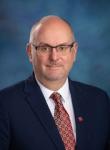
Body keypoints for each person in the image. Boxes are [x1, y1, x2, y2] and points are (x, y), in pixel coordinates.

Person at [0, 15, 110, 150]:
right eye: (44, 48)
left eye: (62, 48)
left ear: (74, 52)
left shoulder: (99, 100)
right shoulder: (5, 104)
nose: (54, 57)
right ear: (30, 52)